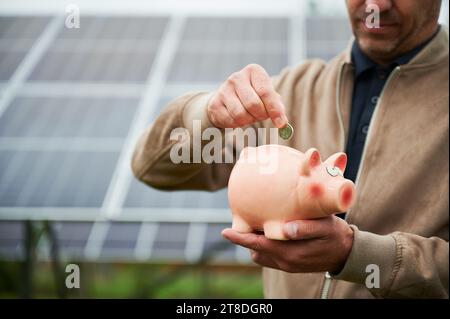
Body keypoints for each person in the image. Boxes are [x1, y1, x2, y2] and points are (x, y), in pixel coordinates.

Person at [131, 0, 448, 298]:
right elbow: (153, 168)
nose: (377, 6)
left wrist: (358, 256)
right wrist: (205, 112)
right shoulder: (292, 91)